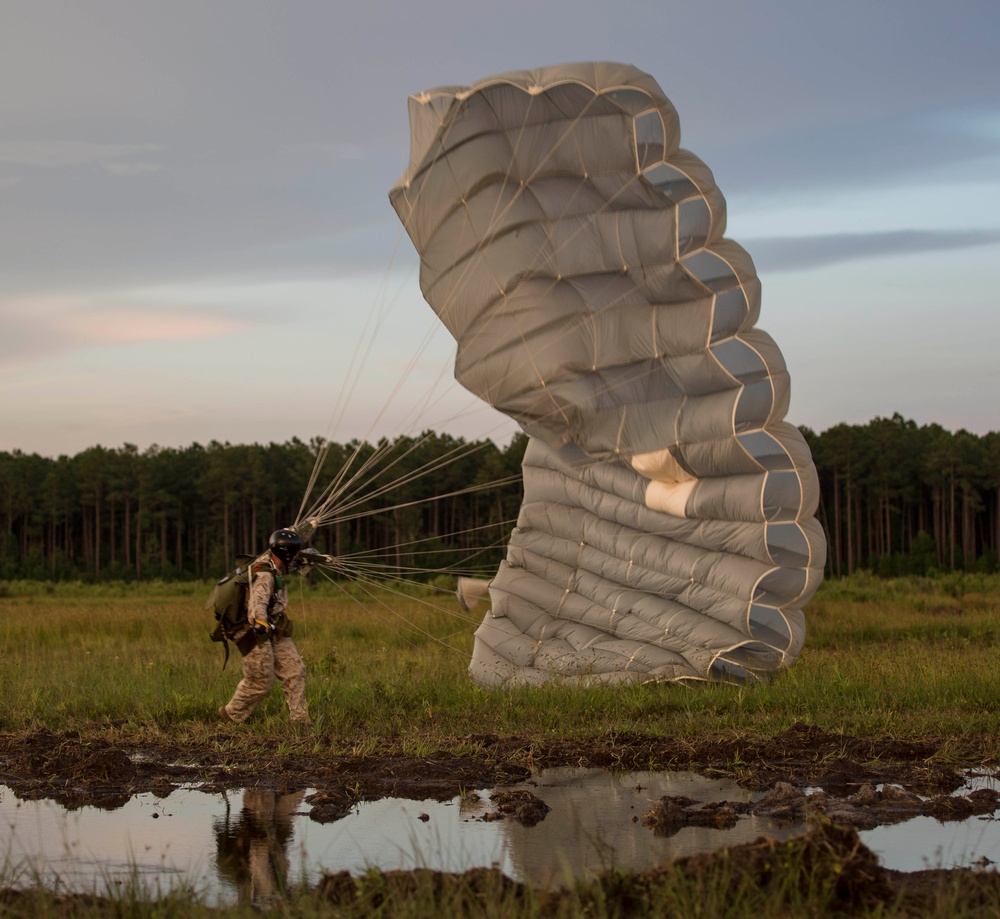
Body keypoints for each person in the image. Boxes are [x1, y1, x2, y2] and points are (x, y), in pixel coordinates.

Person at [219, 528, 311, 726]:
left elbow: (288, 554)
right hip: (252, 631)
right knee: (260, 682)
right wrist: (260, 624)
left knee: (295, 670)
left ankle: (300, 721)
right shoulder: (265, 575)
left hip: (274, 627)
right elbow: (257, 606)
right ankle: (230, 716)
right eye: (294, 554)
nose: (296, 557)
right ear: (286, 555)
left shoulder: (272, 559)